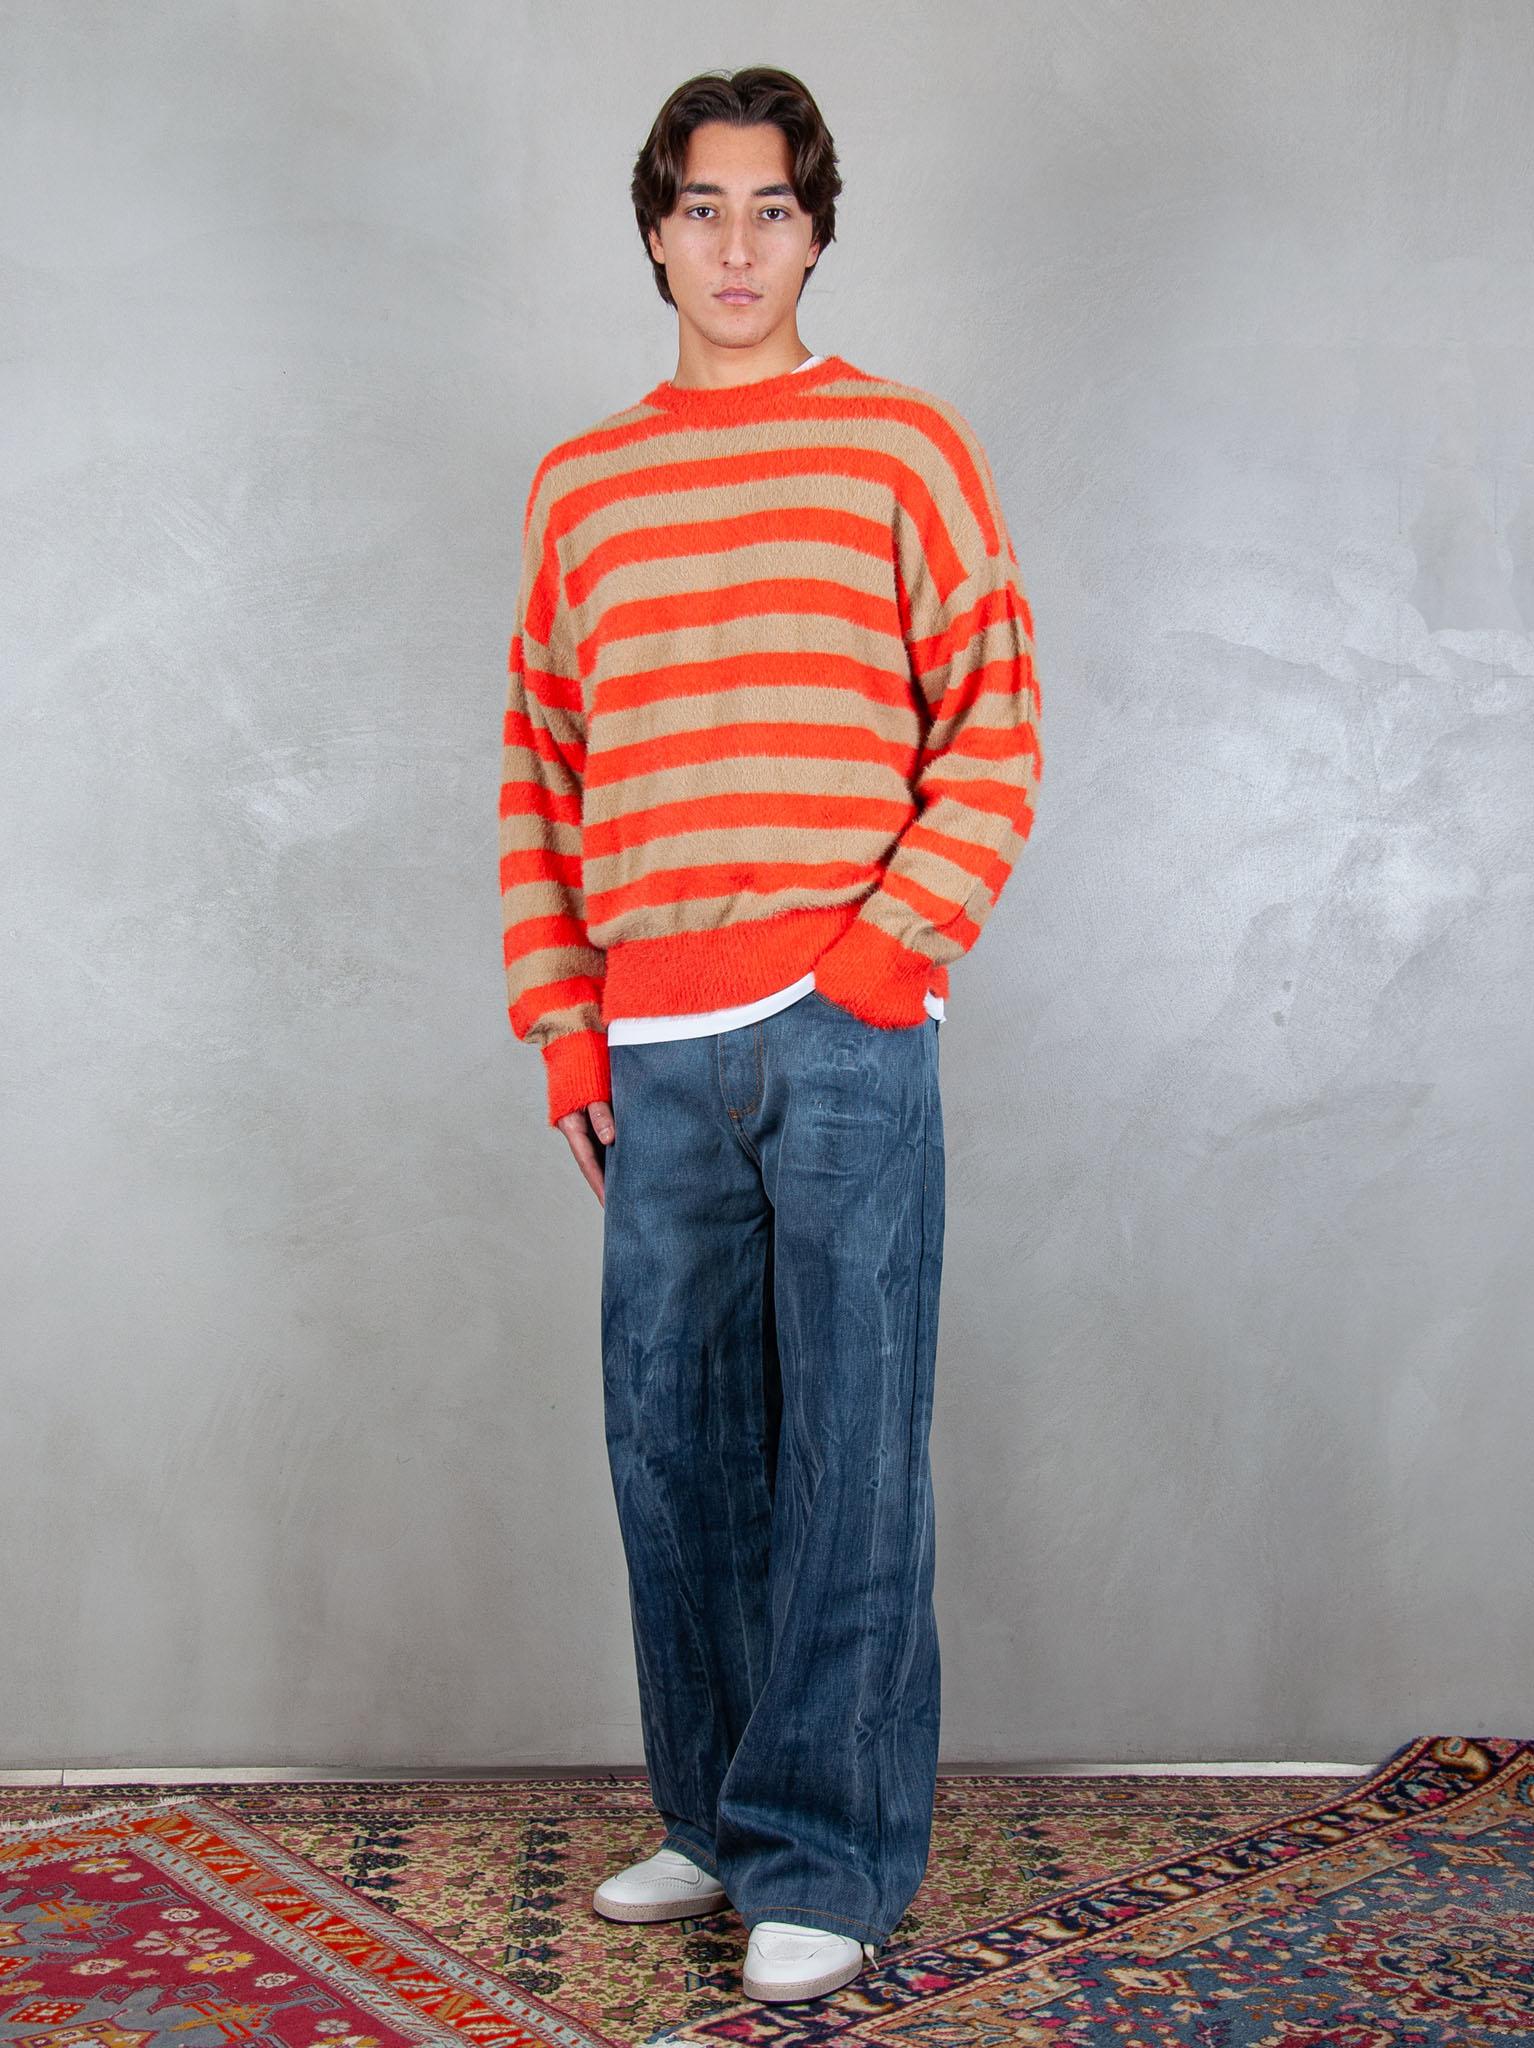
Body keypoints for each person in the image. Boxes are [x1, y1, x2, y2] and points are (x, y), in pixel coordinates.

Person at [499, 65, 1042, 2006]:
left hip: (843, 1027)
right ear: (654, 231)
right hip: (651, 1045)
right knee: (673, 1447)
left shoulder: (900, 447)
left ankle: (825, 1852)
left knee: (846, 1456)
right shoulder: (581, 486)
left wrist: (884, 960)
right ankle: (724, 1815)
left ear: (815, 233)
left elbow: (993, 719)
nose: (736, 246)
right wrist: (565, 1033)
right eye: (701, 208)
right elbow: (542, 769)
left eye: (773, 210)